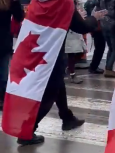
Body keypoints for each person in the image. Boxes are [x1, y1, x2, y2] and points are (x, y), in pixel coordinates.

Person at [2, 0, 106, 145]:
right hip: (52, 56)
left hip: (34, 53)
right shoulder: (64, 3)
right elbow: (81, 27)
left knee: (58, 85)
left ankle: (67, 118)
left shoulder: (37, 3)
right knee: (50, 93)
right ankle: (27, 131)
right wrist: (94, 17)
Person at [0, 0, 24, 110]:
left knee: (3, 75)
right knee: (3, 75)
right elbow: (19, 17)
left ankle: (2, 99)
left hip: (4, 43)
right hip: (4, 42)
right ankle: (1, 99)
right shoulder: (9, 2)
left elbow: (19, 16)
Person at [85, 0, 106, 74]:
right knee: (100, 47)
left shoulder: (89, 3)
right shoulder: (94, 3)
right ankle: (93, 67)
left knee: (99, 47)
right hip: (97, 27)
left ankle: (94, 66)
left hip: (95, 27)